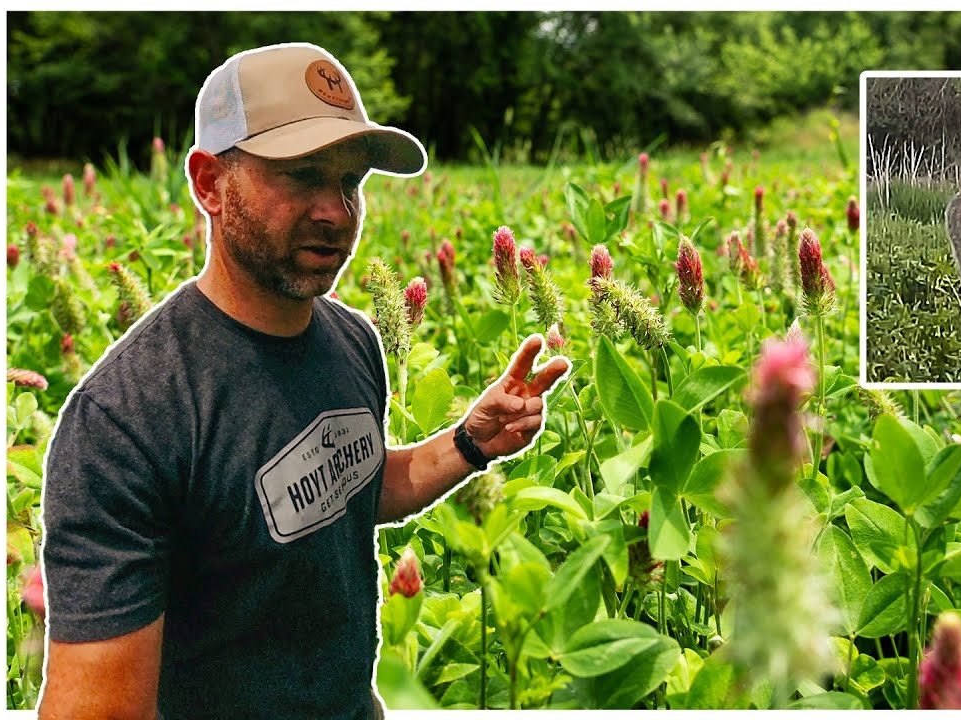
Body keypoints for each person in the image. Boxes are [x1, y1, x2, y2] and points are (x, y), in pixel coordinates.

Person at [37, 42, 569, 720]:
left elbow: (349, 489)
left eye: (349, 183)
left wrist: (469, 441)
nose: (336, 212)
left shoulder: (353, 341)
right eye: (301, 175)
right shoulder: (129, 417)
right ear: (208, 183)